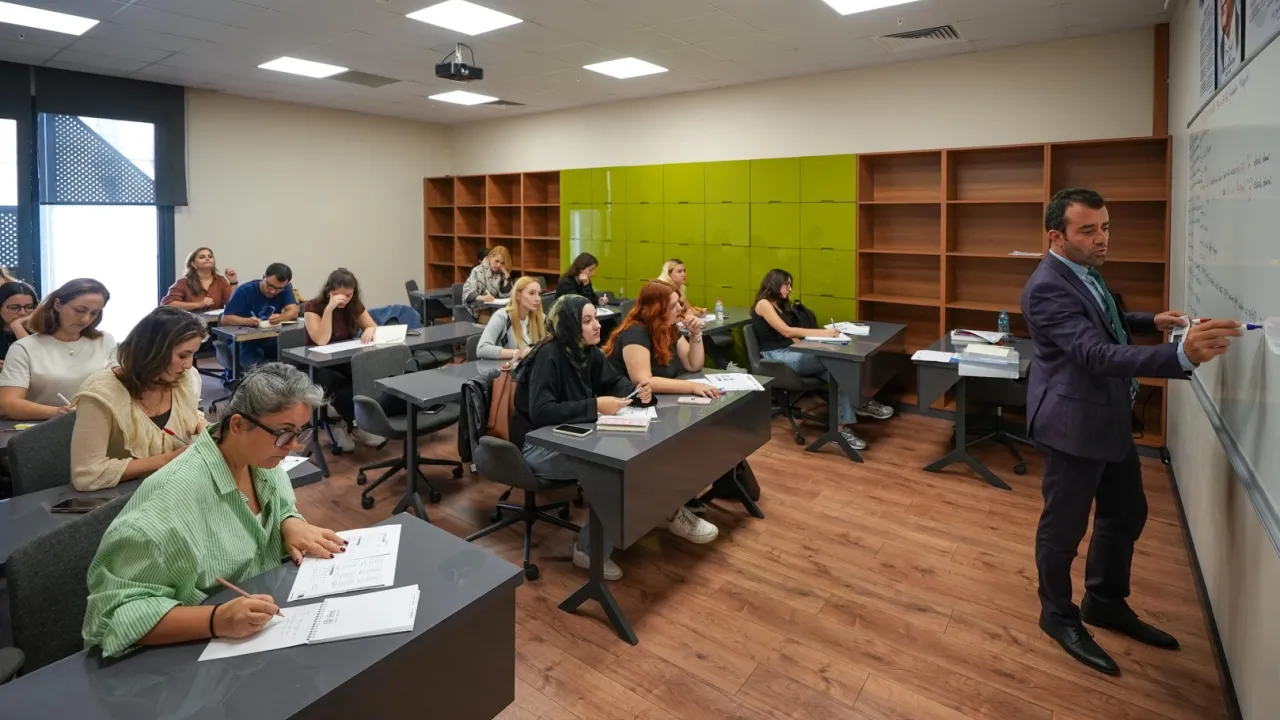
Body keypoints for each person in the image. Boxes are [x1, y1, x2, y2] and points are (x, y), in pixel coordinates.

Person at [1022, 188, 1241, 674]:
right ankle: (1056, 614)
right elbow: (1095, 353)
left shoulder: (1084, 270)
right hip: (1071, 427)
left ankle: (1104, 601)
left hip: (1108, 417)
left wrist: (1151, 321)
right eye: (1088, 230)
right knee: (1063, 530)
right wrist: (1180, 355)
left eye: (1105, 227)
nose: (1102, 239)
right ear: (1056, 236)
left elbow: (1108, 321)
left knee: (1126, 512)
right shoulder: (1046, 287)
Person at [82, 362, 346, 659]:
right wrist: (215, 619)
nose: (294, 446)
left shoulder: (261, 461)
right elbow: (111, 618)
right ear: (238, 425)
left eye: (300, 432)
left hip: (262, 630)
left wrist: (289, 521)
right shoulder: (164, 511)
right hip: (187, 657)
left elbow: (278, 506)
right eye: (284, 433)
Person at [512, 295, 652, 580]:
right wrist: (595, 406)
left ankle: (635, 524)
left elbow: (613, 382)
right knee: (609, 468)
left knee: (630, 457)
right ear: (569, 326)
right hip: (535, 445)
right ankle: (588, 551)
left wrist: (637, 393)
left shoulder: (588, 352)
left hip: (572, 436)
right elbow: (541, 412)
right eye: (587, 321)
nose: (597, 326)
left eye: (595, 318)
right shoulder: (549, 355)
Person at [602, 280, 724, 542]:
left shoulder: (669, 329)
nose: (680, 308)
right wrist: (691, 387)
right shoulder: (636, 333)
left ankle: (678, 498)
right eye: (674, 305)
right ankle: (670, 512)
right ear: (657, 309)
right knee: (664, 452)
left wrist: (695, 335)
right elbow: (643, 381)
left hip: (657, 406)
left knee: (697, 437)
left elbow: (693, 364)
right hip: (623, 411)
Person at [750, 269, 892, 451]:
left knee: (839, 372)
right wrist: (823, 334)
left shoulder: (778, 304)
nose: (790, 289)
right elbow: (786, 331)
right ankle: (861, 403)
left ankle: (840, 428)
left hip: (791, 351)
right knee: (837, 360)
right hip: (777, 357)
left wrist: (811, 344)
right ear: (775, 283)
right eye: (787, 285)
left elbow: (792, 337)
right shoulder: (763, 304)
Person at [70, 307, 207, 491]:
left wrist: (205, 429)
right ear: (153, 351)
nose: (189, 365)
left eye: (193, 355)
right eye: (183, 355)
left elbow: (189, 414)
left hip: (174, 487)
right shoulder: (101, 394)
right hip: (122, 497)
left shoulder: (184, 379)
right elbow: (87, 474)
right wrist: (168, 459)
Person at [0, 278, 115, 421]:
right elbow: (9, 403)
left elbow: (119, 388)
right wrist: (57, 412)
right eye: (79, 310)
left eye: (94, 313)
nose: (85, 319)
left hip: (97, 423)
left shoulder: (105, 341)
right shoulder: (24, 348)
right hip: (44, 427)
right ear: (58, 304)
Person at [302, 268, 383, 451]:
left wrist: (370, 329)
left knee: (364, 375)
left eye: (348, 295)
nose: (344, 299)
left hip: (343, 359)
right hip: (317, 364)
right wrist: (329, 309)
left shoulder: (353, 305)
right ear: (329, 291)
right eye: (339, 295)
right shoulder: (313, 307)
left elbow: (373, 326)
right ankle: (343, 425)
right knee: (339, 384)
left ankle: (358, 425)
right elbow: (321, 340)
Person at [221, 263, 299, 370]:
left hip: (270, 337)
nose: (273, 291)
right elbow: (225, 319)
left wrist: (281, 317)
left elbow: (294, 311)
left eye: (278, 289)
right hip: (245, 340)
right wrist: (247, 321)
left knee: (293, 350)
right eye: (270, 286)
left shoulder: (285, 288)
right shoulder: (245, 290)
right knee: (254, 364)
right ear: (263, 277)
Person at [476, 276, 546, 361]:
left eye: (539, 294)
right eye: (531, 293)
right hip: (502, 367)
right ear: (517, 295)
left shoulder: (540, 317)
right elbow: (482, 349)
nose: (538, 299)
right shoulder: (501, 317)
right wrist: (517, 353)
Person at [161, 247, 238, 311]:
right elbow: (167, 304)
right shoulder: (182, 283)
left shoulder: (220, 280)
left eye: (210, 256)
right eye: (202, 257)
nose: (207, 259)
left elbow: (232, 303)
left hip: (216, 323)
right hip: (190, 323)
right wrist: (199, 304)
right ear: (193, 264)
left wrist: (233, 282)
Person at [461, 246, 513, 313]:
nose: (498, 265)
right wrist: (482, 297)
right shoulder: (477, 270)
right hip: (477, 308)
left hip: (494, 308)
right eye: (497, 261)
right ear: (490, 257)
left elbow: (506, 295)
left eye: (502, 263)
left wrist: (506, 275)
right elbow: (467, 294)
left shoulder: (500, 273)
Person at [0, 281, 36, 369]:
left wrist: (17, 327)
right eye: (14, 308)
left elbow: (37, 359)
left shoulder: (44, 331)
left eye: (29, 307)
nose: (22, 313)